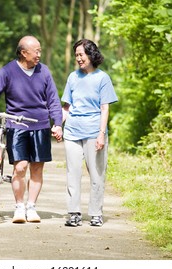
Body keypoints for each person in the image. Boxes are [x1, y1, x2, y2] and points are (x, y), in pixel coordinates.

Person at [0, 35, 63, 224]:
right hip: (17, 124)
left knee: (37, 168)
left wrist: (57, 123)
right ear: (24, 52)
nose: (39, 54)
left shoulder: (44, 72)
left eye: (40, 50)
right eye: (36, 50)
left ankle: (31, 207)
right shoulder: (8, 71)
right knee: (20, 167)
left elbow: (53, 99)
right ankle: (19, 207)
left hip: (40, 124)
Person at [61, 39, 118, 227]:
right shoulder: (72, 77)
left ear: (91, 55)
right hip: (72, 131)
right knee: (73, 174)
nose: (78, 58)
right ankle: (74, 213)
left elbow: (104, 108)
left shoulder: (103, 78)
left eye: (81, 54)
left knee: (96, 174)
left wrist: (101, 133)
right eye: (76, 55)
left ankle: (95, 213)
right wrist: (56, 125)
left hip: (94, 131)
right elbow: (66, 107)